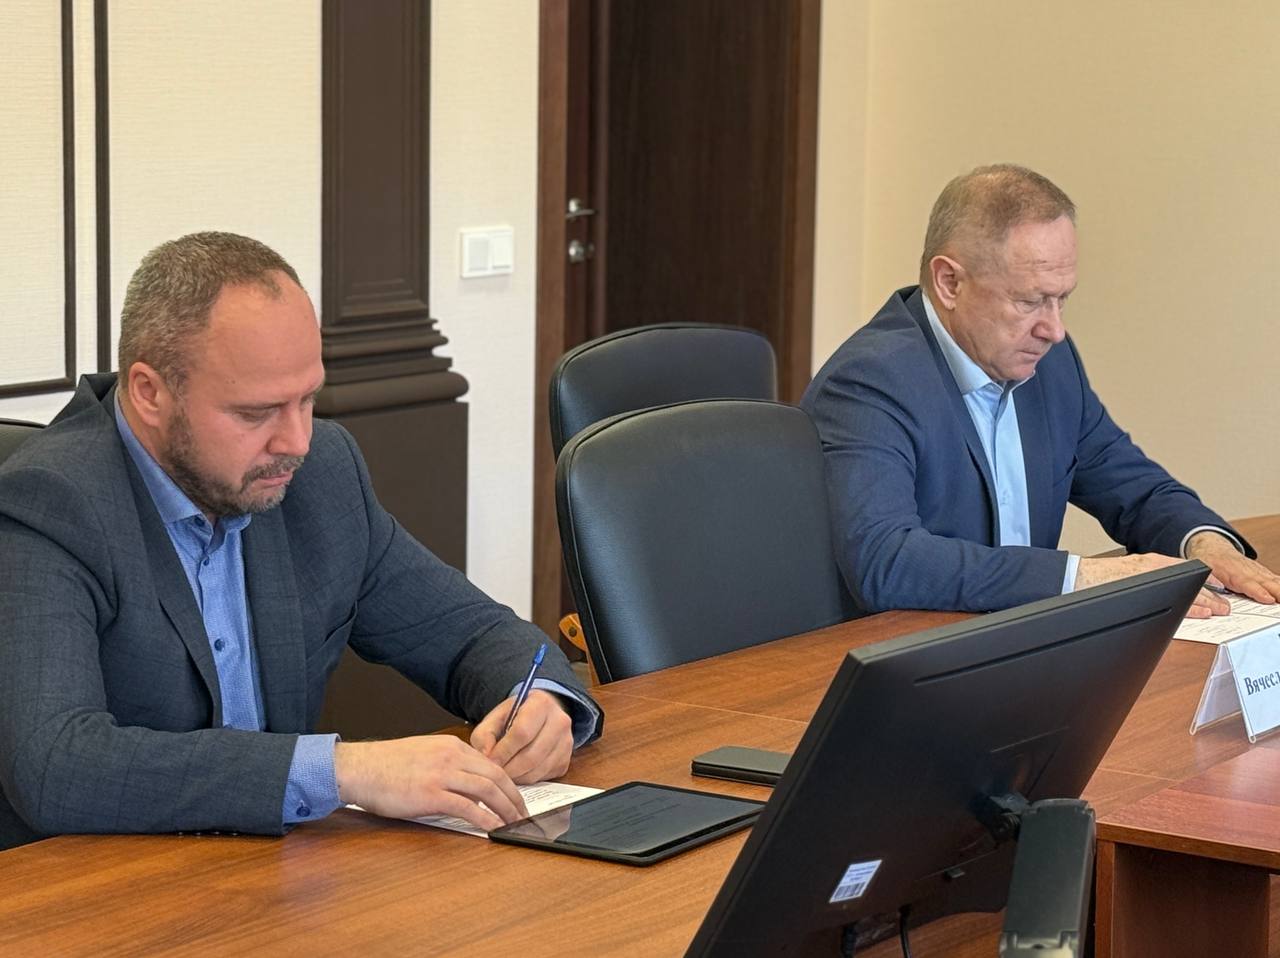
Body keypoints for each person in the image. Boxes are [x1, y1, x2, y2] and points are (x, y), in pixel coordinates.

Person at [0, 232, 601, 851]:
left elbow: (470, 632)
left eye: (307, 399)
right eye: (255, 412)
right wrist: (344, 770)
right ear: (150, 393)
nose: (297, 442)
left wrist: (540, 704)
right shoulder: (50, 504)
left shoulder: (320, 475)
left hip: (276, 871)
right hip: (94, 882)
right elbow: (54, 764)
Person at [801, 164, 1280, 615]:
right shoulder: (868, 382)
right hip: (901, 657)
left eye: (1061, 299)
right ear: (949, 282)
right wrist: (1084, 577)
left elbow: (1133, 487)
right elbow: (886, 560)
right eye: (1031, 301)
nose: (1053, 329)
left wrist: (1204, 543)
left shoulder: (1049, 364)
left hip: (1020, 645)